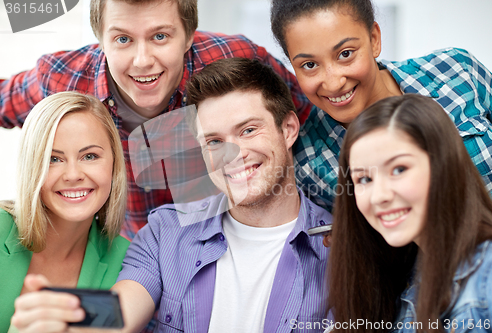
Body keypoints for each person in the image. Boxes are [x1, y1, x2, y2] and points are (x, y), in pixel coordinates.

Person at [11, 58, 331, 333]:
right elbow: (121, 308)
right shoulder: (165, 232)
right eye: (214, 141)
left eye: (248, 130)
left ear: (288, 129)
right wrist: (70, 315)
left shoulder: (344, 248)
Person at [0, 0, 312, 241]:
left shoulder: (238, 61)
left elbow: (311, 115)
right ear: (101, 40)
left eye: (159, 36)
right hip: (129, 251)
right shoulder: (61, 77)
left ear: (188, 36)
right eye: (123, 39)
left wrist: (323, 213)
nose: (142, 60)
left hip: (229, 242)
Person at [270, 0, 492, 212]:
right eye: (309, 64)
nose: (333, 82)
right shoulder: (308, 163)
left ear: (374, 40)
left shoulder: (455, 70)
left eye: (346, 54)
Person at [325, 94, 492, 332]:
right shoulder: (390, 285)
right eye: (364, 178)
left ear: (444, 165)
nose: (379, 195)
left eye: (399, 169)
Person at [1, 91, 130, 333]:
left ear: (114, 163)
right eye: (53, 159)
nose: (73, 174)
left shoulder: (124, 261)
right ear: (32, 165)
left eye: (89, 156)